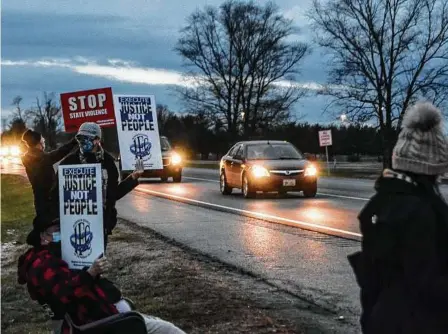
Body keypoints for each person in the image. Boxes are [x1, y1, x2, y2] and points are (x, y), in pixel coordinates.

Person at [348, 102, 448, 334]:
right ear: (429, 170)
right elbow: (426, 280)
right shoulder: (419, 211)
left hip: (383, 319)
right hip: (417, 323)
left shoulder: (383, 202)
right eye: (440, 173)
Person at [17, 218, 186, 334]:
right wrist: (90, 273)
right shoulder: (43, 264)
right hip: (102, 323)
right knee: (170, 331)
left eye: (63, 229)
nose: (62, 233)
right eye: (57, 230)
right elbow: (66, 292)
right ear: (42, 236)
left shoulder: (56, 254)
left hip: (109, 315)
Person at [51, 122, 143, 246]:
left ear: (97, 139)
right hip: (74, 222)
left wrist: (132, 178)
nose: (82, 142)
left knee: (98, 262)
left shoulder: (108, 162)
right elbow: (56, 193)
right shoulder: (69, 162)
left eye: (87, 138)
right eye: (79, 138)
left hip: (100, 223)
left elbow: (113, 194)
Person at [21, 129, 77, 242]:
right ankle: (50, 250)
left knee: (49, 230)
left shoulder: (31, 157)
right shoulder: (39, 158)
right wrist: (74, 141)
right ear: (38, 143)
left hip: (41, 200)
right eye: (42, 139)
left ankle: (49, 246)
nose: (44, 141)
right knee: (52, 230)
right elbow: (60, 152)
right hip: (48, 201)